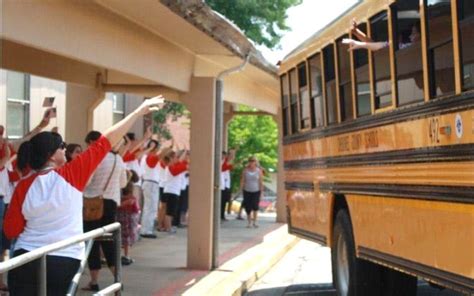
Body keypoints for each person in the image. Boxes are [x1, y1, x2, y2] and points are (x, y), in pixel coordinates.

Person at [3, 96, 164, 295]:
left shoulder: (22, 186)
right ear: (52, 155)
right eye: (62, 146)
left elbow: (11, 229)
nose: (65, 148)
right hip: (63, 259)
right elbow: (105, 141)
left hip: (24, 260)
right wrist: (138, 112)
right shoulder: (72, 174)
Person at [82, 130, 128, 291]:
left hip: (93, 205)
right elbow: (123, 183)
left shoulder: (96, 158)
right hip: (111, 204)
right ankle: (117, 279)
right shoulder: (118, 159)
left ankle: (94, 281)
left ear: (92, 143)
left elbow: (86, 182)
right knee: (109, 242)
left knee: (91, 242)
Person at [343, 19, 420, 52]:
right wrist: (356, 32)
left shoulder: (410, 48)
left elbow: (379, 47)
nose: (410, 36)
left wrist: (360, 44)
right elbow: (378, 46)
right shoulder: (407, 47)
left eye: (414, 33)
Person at [116, 170, 140, 266]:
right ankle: (126, 255)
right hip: (129, 215)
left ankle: (119, 256)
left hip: (120, 214)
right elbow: (135, 205)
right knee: (127, 236)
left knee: (120, 236)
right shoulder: (131, 188)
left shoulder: (118, 188)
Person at [139, 140, 162, 239]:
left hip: (149, 182)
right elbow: (153, 163)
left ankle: (146, 229)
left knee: (149, 207)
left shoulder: (146, 156)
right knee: (150, 208)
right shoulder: (150, 157)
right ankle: (146, 230)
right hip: (151, 183)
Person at [162, 150, 188, 233]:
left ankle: (167, 227)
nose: (177, 159)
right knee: (169, 211)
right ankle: (168, 228)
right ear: (171, 158)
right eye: (176, 157)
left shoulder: (171, 166)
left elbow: (180, 162)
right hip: (171, 191)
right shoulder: (171, 167)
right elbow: (179, 169)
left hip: (171, 191)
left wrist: (184, 152)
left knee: (170, 211)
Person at [240, 156, 264, 228]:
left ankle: (255, 222)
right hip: (247, 190)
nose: (252, 162)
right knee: (248, 207)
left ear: (256, 162)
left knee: (255, 206)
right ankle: (249, 222)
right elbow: (242, 180)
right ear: (249, 162)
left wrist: (262, 193)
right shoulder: (245, 170)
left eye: (253, 161)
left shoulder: (259, 171)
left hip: (256, 191)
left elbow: (261, 182)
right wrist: (241, 189)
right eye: (250, 161)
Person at [220, 150, 234, 221]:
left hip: (226, 184)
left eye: (224, 155)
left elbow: (231, 166)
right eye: (222, 155)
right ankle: (220, 215)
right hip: (221, 185)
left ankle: (222, 215)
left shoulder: (225, 161)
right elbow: (224, 167)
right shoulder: (220, 162)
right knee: (220, 201)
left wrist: (232, 154)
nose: (223, 157)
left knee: (225, 201)